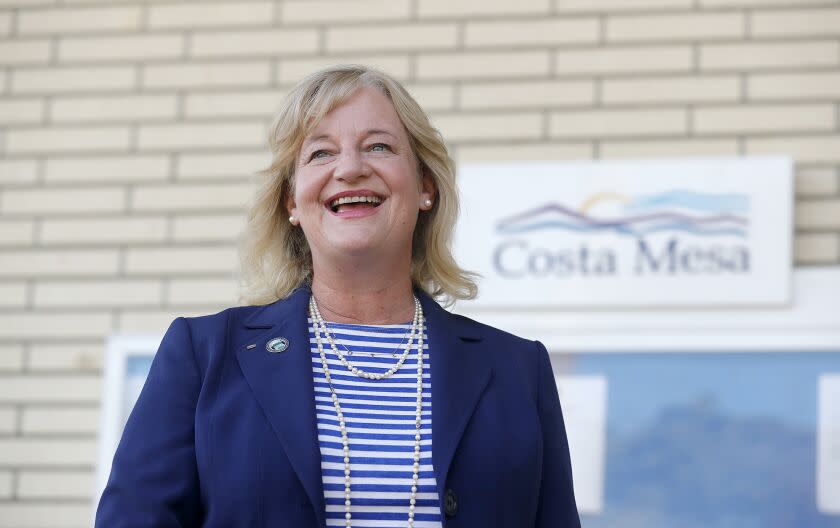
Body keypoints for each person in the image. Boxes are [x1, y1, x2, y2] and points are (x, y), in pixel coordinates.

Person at [95, 64, 580, 528]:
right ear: (292, 201)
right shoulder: (203, 355)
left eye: (379, 146)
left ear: (425, 187)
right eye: (321, 153)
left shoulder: (519, 370)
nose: (349, 168)